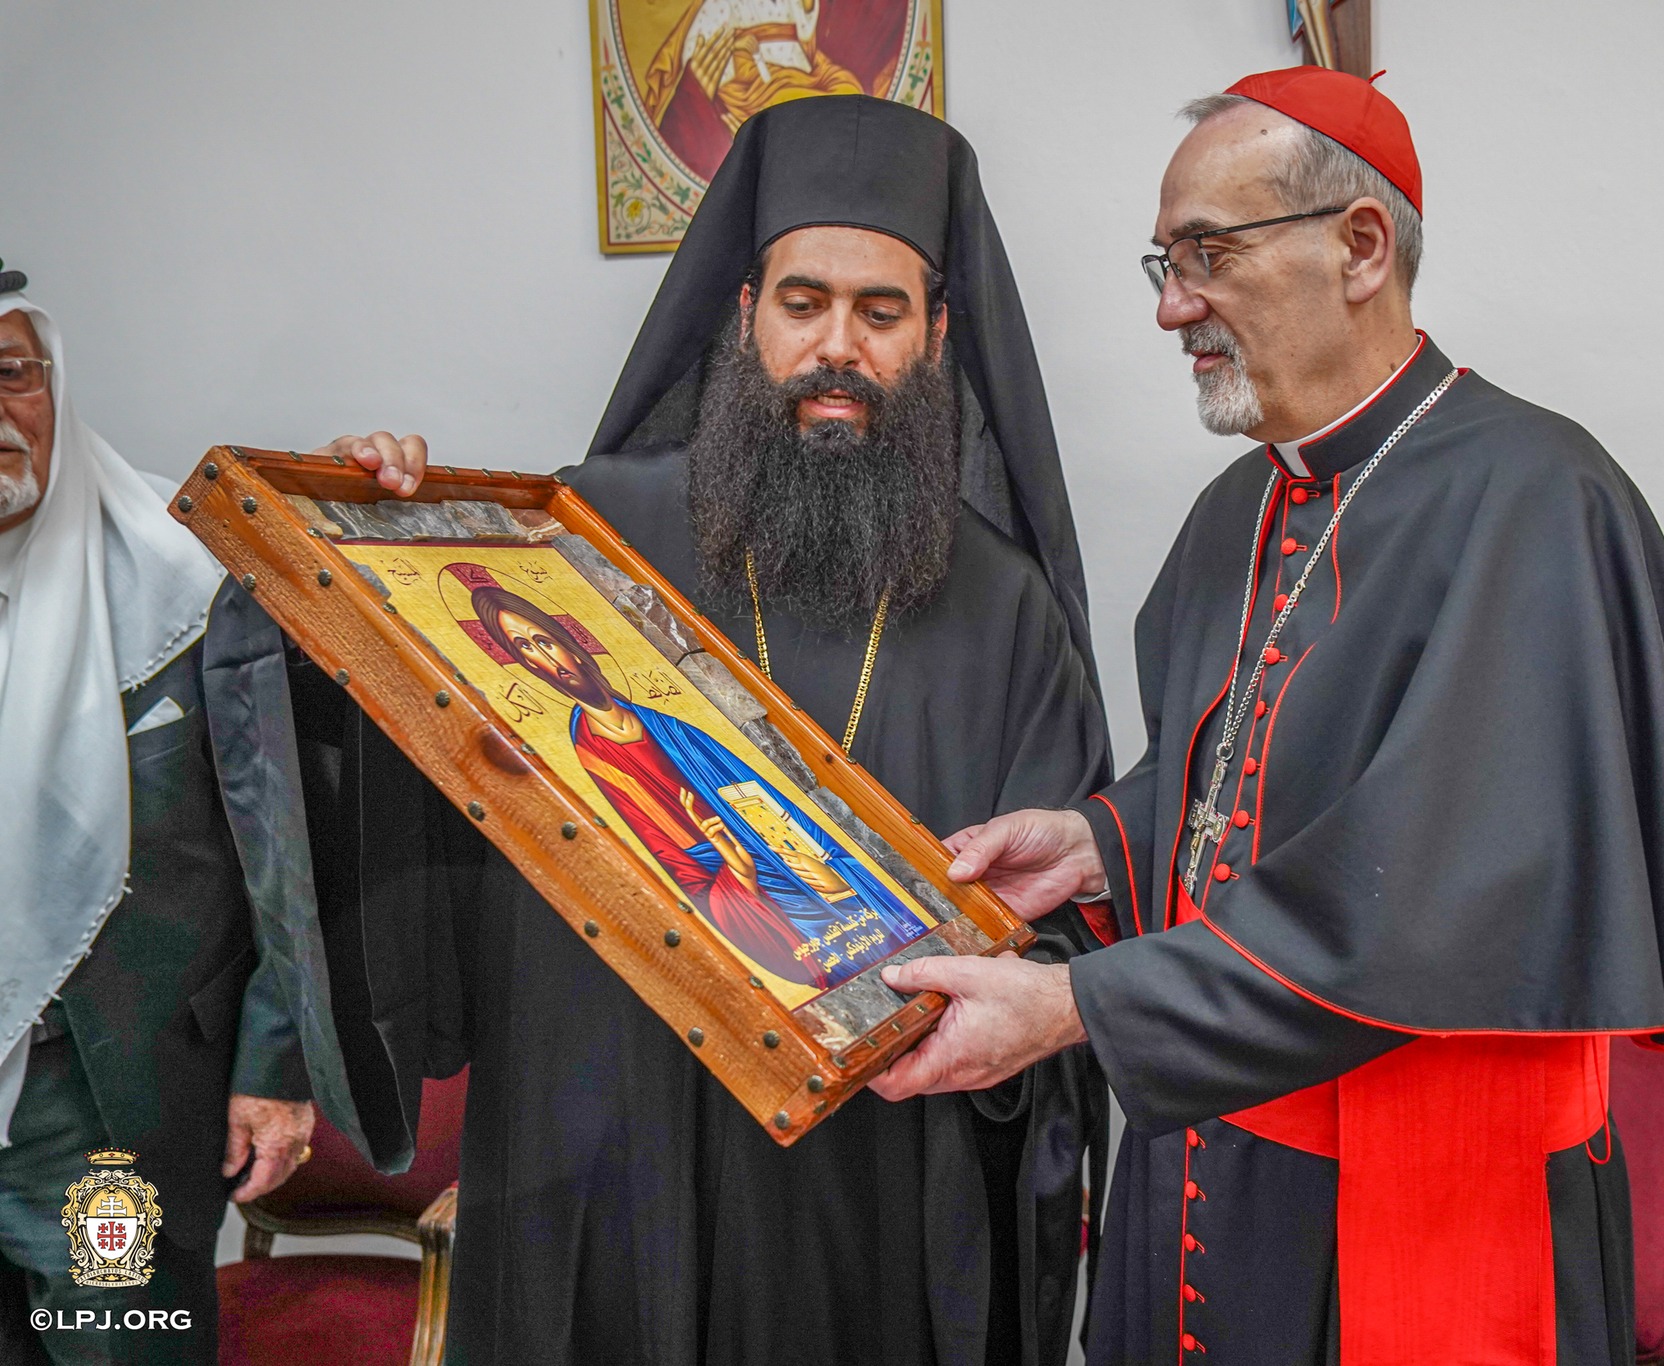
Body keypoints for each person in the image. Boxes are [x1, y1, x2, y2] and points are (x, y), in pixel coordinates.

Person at [872, 68, 1664, 1365]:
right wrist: (1100, 841)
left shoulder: (1538, 500)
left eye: (1207, 254)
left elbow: (1436, 886)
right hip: (1207, 1155)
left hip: (1426, 1186)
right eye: (1164, 263)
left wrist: (1074, 1008)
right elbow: (1248, 780)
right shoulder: (1238, 509)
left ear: (1361, 246)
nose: (1172, 305)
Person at [300, 95, 1111, 1366]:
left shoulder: (1006, 610)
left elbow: (1064, 927)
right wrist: (355, 559)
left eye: (880, 312)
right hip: (598, 1148)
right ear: (744, 315)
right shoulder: (576, 540)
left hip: (868, 1186)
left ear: (937, 333)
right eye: (802, 303)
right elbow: (432, 767)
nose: (835, 347)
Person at [0, 264, 320, 1364]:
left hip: (102, 1113)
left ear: (55, 384)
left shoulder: (191, 578)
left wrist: (276, 1070)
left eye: (11, 375)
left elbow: (288, 846)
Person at [468, 579, 929, 988]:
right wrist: (738, 873)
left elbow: (777, 808)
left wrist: (838, 880)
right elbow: (677, 873)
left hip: (804, 871)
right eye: (525, 648)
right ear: (522, 664)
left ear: (571, 643)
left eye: (545, 641)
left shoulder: (678, 731)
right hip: (751, 902)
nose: (546, 658)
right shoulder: (591, 759)